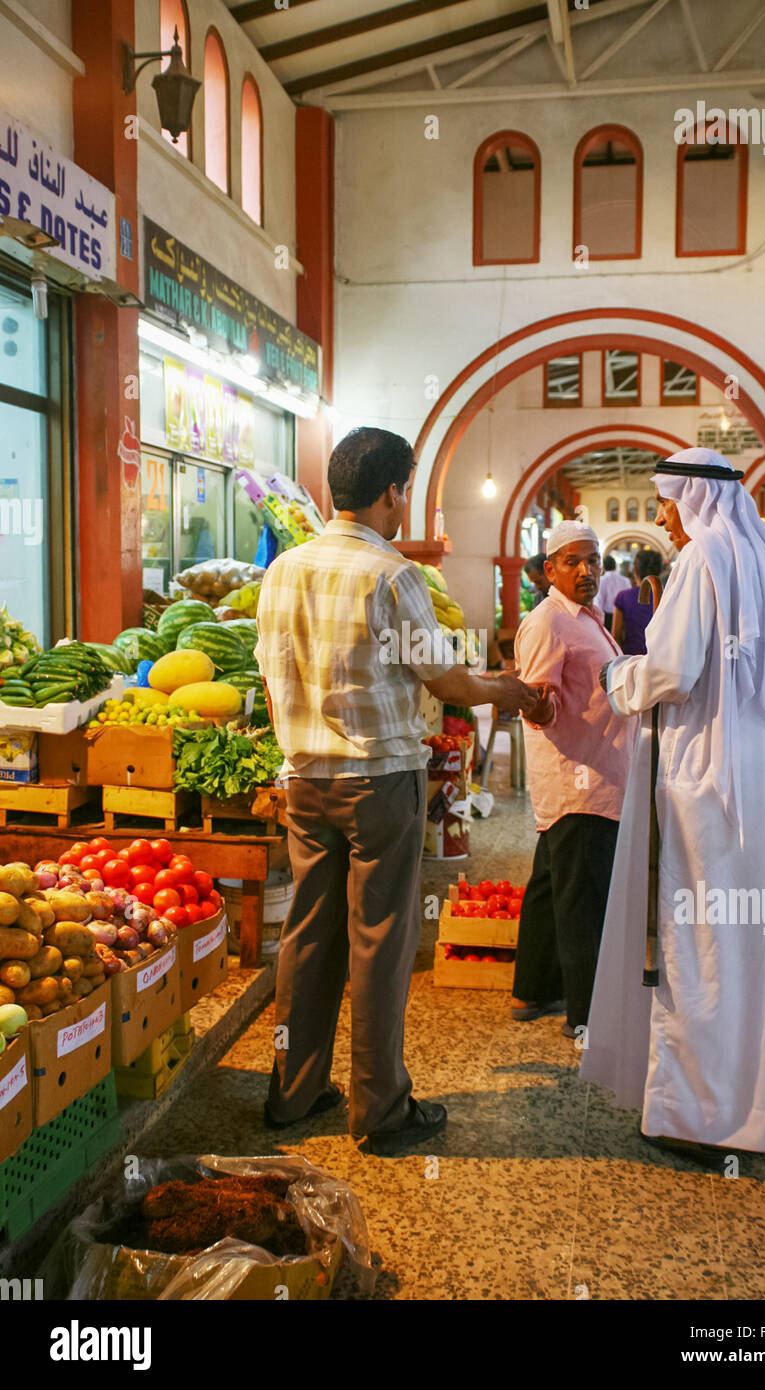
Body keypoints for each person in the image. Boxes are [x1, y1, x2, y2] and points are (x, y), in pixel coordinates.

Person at [255, 427, 538, 1153]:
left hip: (303, 780)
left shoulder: (284, 569)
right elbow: (445, 680)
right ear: (391, 493)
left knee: (308, 935)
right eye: (405, 489)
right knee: (380, 940)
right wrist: (505, 688)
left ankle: (294, 1090)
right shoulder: (391, 574)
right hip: (377, 780)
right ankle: (381, 1111)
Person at [583, 447, 765, 1154]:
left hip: (713, 782)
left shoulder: (702, 561)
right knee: (763, 947)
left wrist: (616, 677)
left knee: (701, 943)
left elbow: (670, 670)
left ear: (695, 499)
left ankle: (699, 1116)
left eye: (667, 501)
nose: (663, 514)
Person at [511, 522, 637, 1037]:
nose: (587, 571)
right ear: (550, 569)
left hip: (594, 774)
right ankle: (586, 1018)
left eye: (594, 560)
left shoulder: (585, 618)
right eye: (573, 562)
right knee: (583, 898)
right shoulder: (547, 624)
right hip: (579, 782)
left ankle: (532, 991)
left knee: (550, 887)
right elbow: (541, 702)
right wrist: (539, 705)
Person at [612, 548, 663, 655]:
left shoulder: (623, 597)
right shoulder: (668, 597)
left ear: (635, 571)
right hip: (660, 658)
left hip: (631, 658)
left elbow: (616, 636)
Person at [597, 554, 631, 631]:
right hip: (623, 616)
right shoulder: (625, 580)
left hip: (608, 617)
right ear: (615, 566)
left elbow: (600, 601)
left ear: (604, 567)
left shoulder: (602, 580)